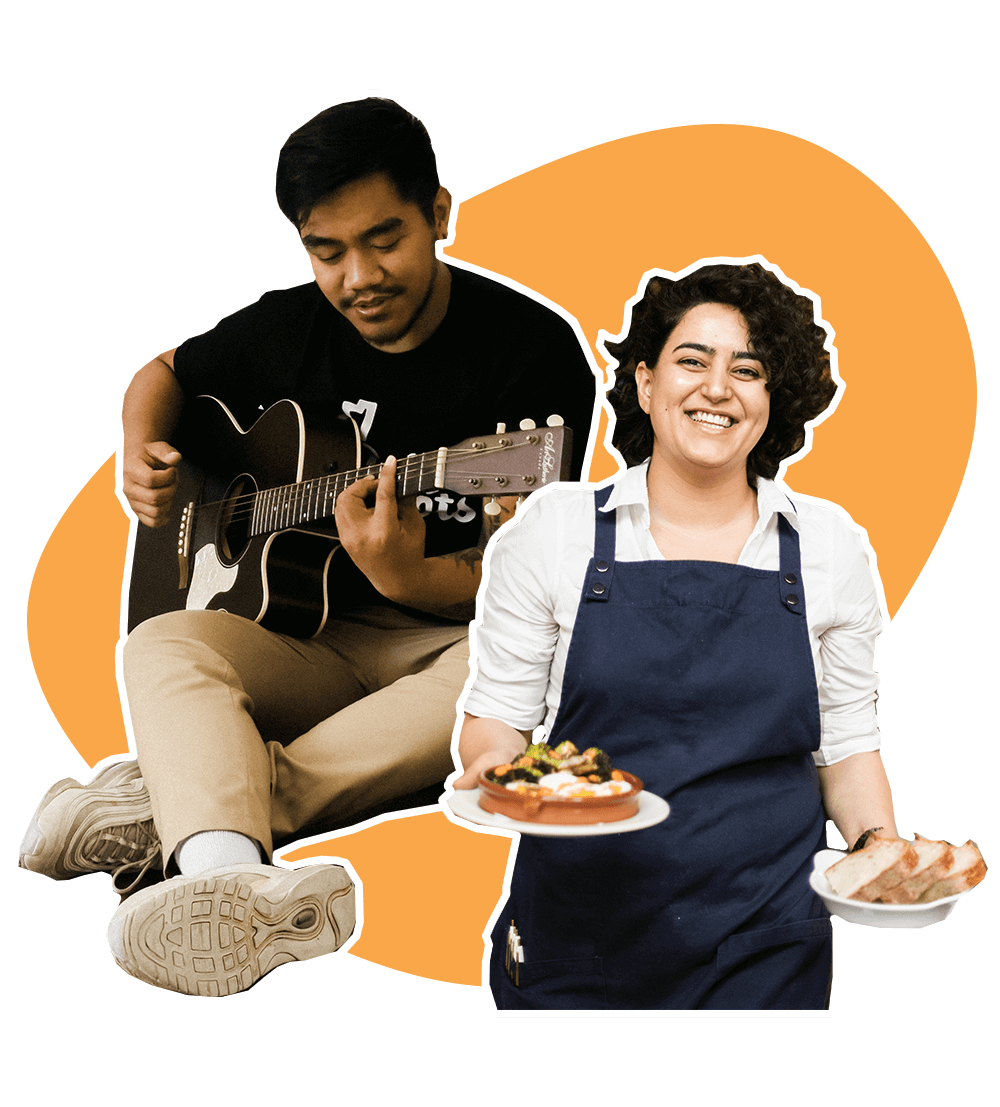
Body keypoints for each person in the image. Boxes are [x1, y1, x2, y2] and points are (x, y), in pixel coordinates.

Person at [17, 92, 598, 999]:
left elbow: (527, 578)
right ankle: (218, 842)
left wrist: (409, 575)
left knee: (534, 673)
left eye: (384, 239)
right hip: (306, 637)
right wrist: (140, 446)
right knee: (162, 642)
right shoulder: (287, 326)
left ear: (439, 213)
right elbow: (162, 372)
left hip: (451, 637)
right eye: (327, 251)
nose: (358, 275)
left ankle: (200, 832)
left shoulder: (530, 351)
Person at [455, 260, 907, 1011]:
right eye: (692, 361)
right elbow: (499, 716)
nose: (717, 388)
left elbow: (848, 743)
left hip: (765, 936)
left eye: (748, 370)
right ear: (644, 382)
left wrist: (878, 849)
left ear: (772, 400)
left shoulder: (827, 546)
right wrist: (497, 772)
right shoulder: (555, 531)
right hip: (577, 925)